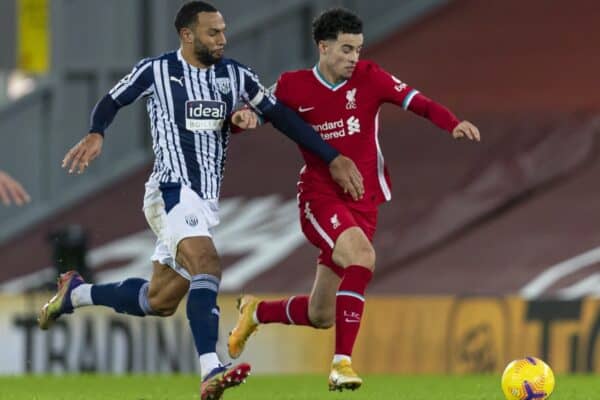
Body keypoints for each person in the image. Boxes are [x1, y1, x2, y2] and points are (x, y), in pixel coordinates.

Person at [36, 2, 364, 399]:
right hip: (170, 191)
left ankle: (77, 294)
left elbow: (282, 116)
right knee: (207, 263)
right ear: (187, 35)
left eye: (224, 31)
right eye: (213, 33)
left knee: (159, 300)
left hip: (204, 202)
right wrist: (96, 132)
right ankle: (211, 368)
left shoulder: (236, 75)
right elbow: (112, 99)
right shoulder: (156, 70)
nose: (222, 39)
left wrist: (332, 157)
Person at [227, 8, 481, 392]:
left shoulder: (370, 77)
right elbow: (260, 114)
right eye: (346, 49)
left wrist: (453, 122)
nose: (353, 58)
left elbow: (418, 101)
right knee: (362, 258)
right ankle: (341, 364)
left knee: (321, 313)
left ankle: (256, 312)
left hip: (364, 201)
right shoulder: (293, 85)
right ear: (323, 47)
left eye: (357, 50)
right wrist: (241, 119)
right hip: (319, 198)